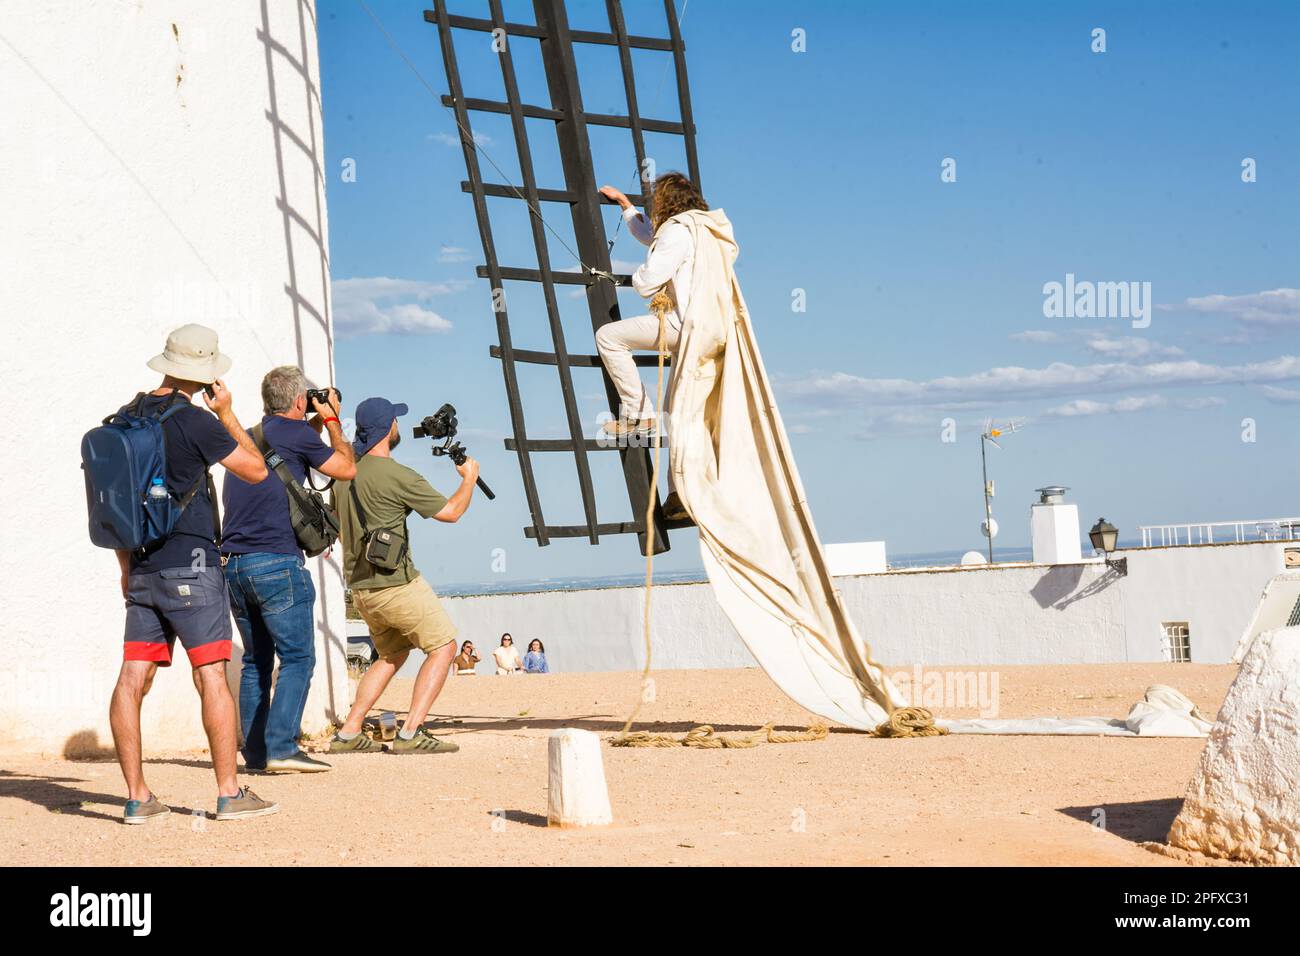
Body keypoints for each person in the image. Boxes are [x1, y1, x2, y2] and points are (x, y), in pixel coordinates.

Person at [111, 323, 279, 824]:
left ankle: (138, 798)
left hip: (140, 565)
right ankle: (229, 793)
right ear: (204, 374)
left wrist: (126, 568)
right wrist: (226, 413)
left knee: (131, 678)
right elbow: (256, 470)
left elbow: (115, 502)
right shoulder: (195, 421)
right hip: (193, 565)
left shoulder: (125, 418)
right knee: (211, 676)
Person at [220, 366, 356, 774]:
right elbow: (346, 467)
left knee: (256, 663)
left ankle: (258, 755)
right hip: (277, 563)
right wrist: (331, 417)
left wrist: (313, 417)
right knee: (298, 658)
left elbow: (291, 444)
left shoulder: (249, 434)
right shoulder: (298, 435)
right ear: (300, 400)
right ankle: (282, 746)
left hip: (234, 565)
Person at [329, 397, 479, 754]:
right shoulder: (399, 475)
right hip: (397, 584)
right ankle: (412, 731)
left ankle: (349, 732)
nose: (399, 426)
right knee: (444, 647)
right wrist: (469, 478)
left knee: (391, 655)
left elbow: (338, 529)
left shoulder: (342, 476)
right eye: (396, 420)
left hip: (362, 588)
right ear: (388, 428)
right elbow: (451, 512)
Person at [597, 172, 708, 519]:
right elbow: (653, 237)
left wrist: (645, 277)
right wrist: (626, 207)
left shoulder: (675, 232)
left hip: (681, 325)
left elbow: (647, 282)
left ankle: (638, 413)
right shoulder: (700, 229)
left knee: (609, 337)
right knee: (679, 416)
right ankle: (681, 496)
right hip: (706, 330)